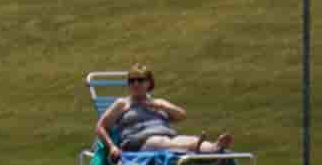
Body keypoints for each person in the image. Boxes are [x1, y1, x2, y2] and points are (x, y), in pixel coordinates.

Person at [95, 63, 232, 158]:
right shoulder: (122, 104)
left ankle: (213, 148)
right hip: (140, 144)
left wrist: (161, 106)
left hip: (168, 138)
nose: (135, 84)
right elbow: (100, 126)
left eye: (140, 80)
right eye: (132, 80)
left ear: (149, 83)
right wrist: (112, 146)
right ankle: (199, 147)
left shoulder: (158, 103)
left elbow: (182, 115)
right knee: (160, 142)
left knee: (181, 140)